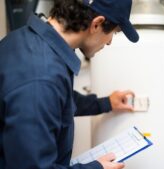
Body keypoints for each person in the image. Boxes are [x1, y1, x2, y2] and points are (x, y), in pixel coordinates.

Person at [0, 0, 139, 168]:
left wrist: (105, 103)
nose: (109, 42)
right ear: (97, 24)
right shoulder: (41, 77)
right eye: (114, 32)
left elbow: (57, 100)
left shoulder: (25, 39)